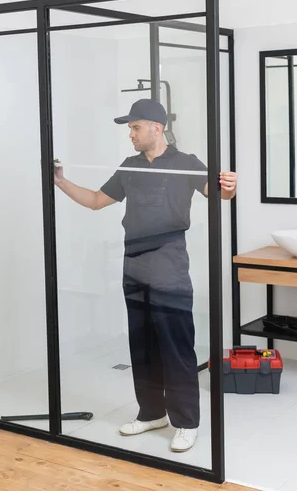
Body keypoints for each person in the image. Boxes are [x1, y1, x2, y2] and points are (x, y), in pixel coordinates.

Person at [54, 99, 237, 452]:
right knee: (143, 344)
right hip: (134, 262)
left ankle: (187, 422)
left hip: (169, 262)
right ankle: (152, 412)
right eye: (130, 129)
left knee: (176, 345)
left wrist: (230, 185)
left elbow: (221, 194)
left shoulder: (187, 164)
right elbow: (95, 200)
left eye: (135, 127)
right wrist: (61, 182)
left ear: (157, 127)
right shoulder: (130, 167)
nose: (131, 135)